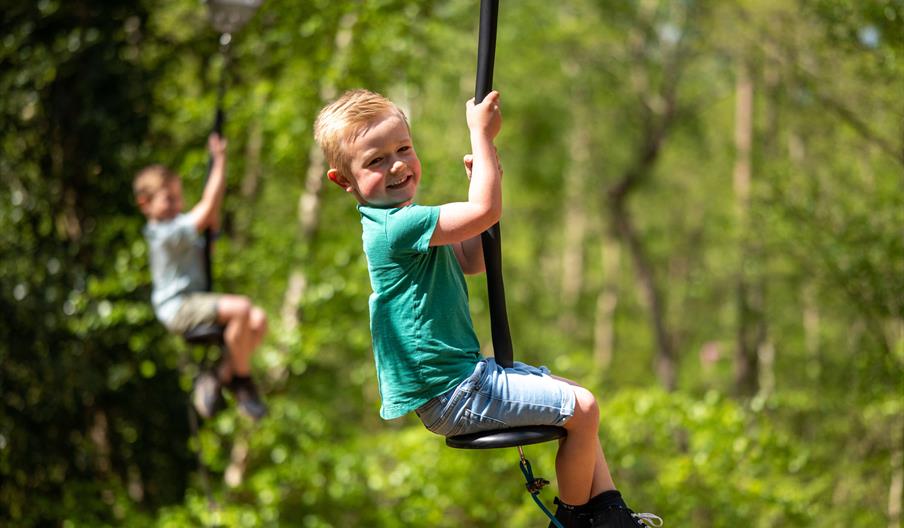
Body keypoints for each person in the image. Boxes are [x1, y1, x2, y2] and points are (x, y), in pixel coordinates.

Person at [313, 89, 661, 528]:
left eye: (403, 148)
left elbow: (473, 258)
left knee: (574, 396)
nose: (397, 164)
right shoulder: (393, 227)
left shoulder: (407, 220)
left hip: (466, 379)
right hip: (451, 392)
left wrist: (488, 170)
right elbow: (484, 210)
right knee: (583, 407)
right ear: (343, 181)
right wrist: (481, 136)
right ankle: (576, 519)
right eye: (376, 160)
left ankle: (609, 510)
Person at [133, 133, 267, 421]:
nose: (177, 204)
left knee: (257, 321)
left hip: (196, 301)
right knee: (242, 308)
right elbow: (206, 209)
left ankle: (218, 377)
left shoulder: (178, 225)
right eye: (168, 199)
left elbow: (208, 233)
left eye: (178, 197)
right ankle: (242, 383)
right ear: (145, 204)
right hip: (178, 308)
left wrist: (211, 227)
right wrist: (219, 161)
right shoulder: (163, 233)